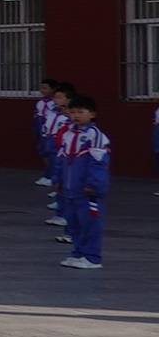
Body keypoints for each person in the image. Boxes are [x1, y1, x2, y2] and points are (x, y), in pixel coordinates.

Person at [58, 96, 107, 270]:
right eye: (72, 112)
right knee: (74, 223)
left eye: (81, 112)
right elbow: (62, 159)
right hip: (70, 188)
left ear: (92, 114)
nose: (76, 115)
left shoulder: (95, 136)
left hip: (87, 190)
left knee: (90, 224)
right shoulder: (68, 134)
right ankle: (78, 253)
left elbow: (98, 162)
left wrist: (93, 184)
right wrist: (59, 180)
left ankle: (92, 257)